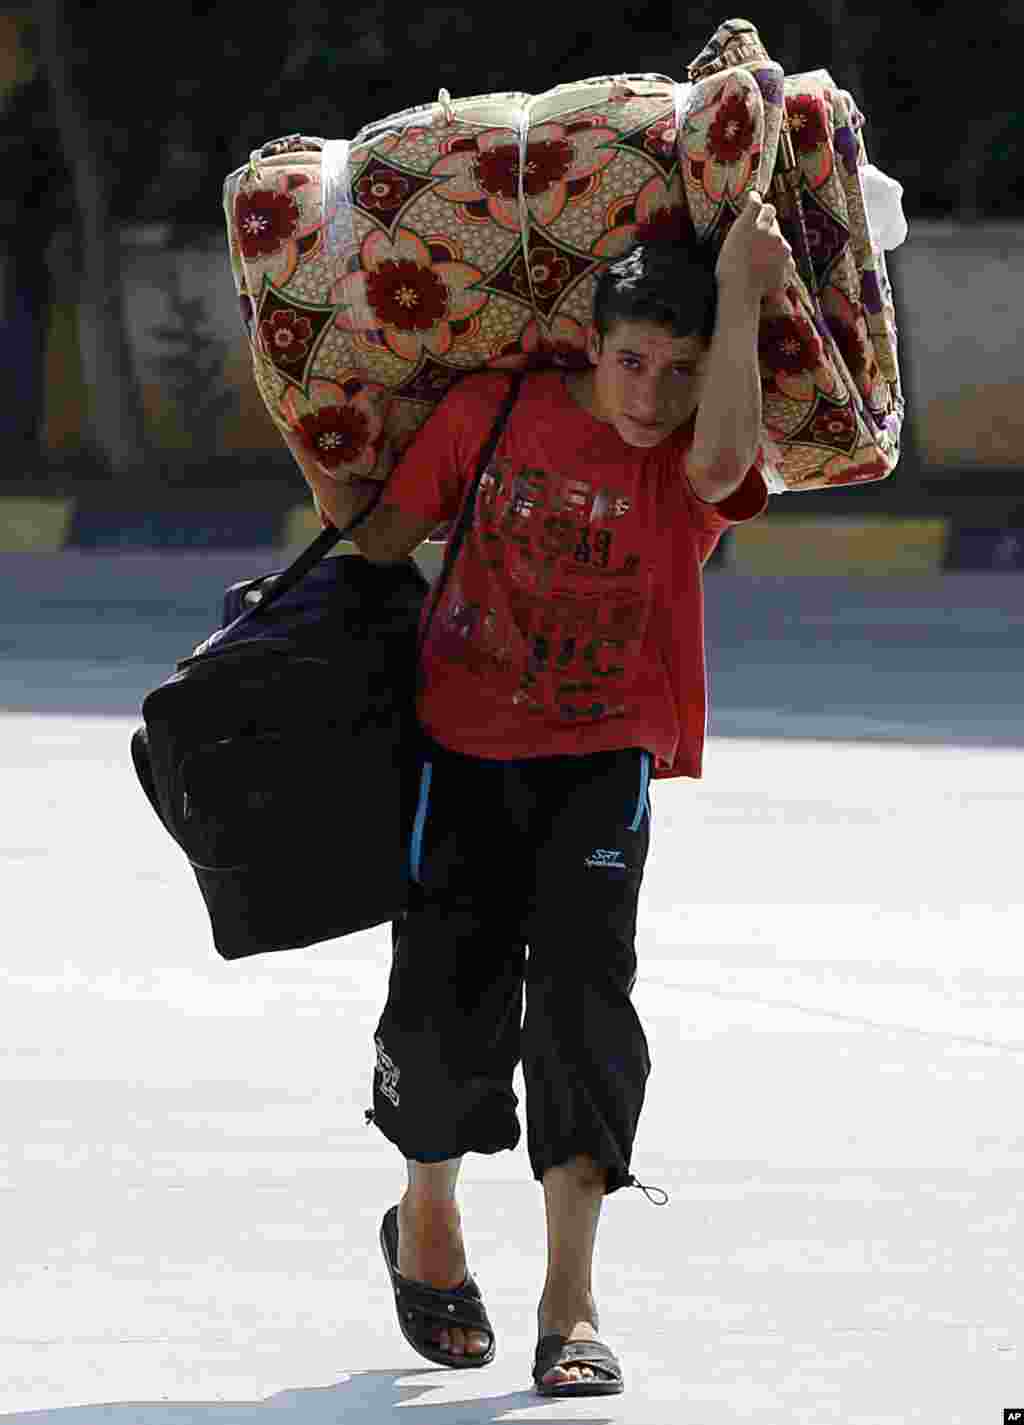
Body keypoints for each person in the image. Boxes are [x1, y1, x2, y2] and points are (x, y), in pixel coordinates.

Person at [311, 190, 790, 1397]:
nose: (648, 395)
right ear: (587, 341)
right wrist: (336, 468)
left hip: (602, 756)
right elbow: (380, 543)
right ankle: (427, 1218)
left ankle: (568, 1301)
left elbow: (729, 460)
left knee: (581, 1008)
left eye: (677, 371)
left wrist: (743, 300)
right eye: (630, 360)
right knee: (440, 1006)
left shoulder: (697, 446)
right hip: (460, 748)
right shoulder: (496, 409)